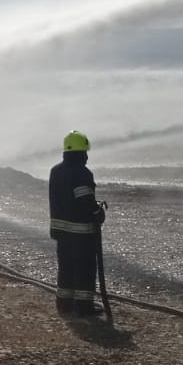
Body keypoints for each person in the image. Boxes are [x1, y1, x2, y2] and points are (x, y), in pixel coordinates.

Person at [49, 130, 106, 318]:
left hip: (60, 232)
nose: (87, 157)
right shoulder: (81, 173)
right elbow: (84, 202)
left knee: (66, 268)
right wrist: (98, 213)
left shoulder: (55, 171)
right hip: (80, 233)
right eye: (85, 152)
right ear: (81, 152)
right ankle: (83, 306)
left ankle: (64, 304)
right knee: (84, 269)